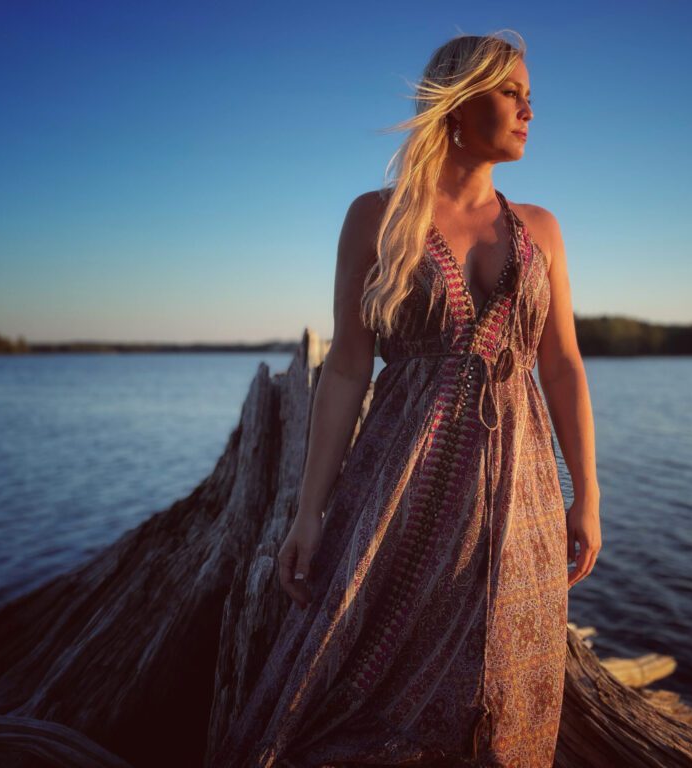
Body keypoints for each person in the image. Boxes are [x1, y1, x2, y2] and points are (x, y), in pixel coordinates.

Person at [212, 29, 601, 768]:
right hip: (398, 484)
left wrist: (586, 493)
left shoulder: (541, 229)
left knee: (503, 679)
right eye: (511, 93)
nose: (528, 110)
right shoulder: (376, 217)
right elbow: (349, 369)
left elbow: (564, 367)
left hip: (520, 494)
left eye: (530, 96)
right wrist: (309, 508)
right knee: (361, 667)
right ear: (457, 103)